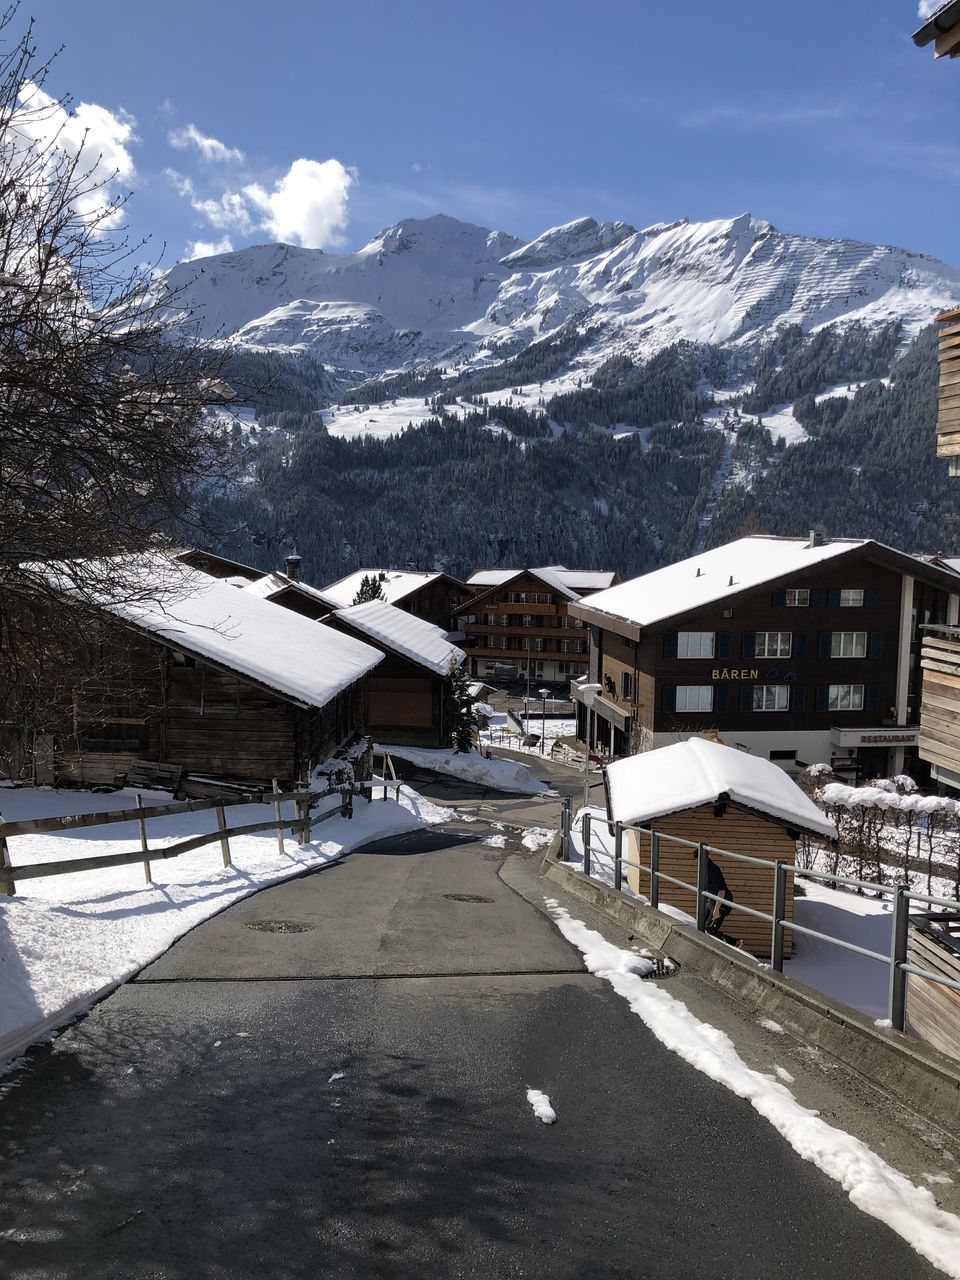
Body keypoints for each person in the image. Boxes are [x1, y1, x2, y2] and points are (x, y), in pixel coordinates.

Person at [695, 851, 734, 936]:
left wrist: (717, 909)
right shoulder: (704, 868)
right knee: (700, 925)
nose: (697, 862)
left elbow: (722, 891)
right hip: (712, 901)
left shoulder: (713, 870)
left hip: (723, 903)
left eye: (698, 860)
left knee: (709, 929)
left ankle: (732, 942)